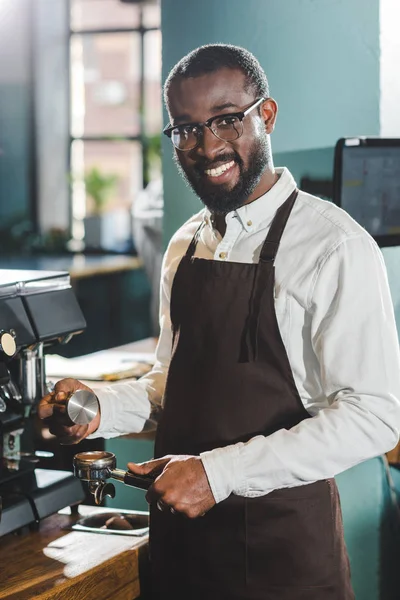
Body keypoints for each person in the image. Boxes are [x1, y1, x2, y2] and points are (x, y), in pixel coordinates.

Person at [39, 44, 400, 600]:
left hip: (283, 562)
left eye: (227, 119)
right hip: (182, 554)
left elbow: (374, 417)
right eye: (186, 129)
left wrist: (217, 473)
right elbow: (171, 384)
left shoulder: (335, 246)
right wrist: (96, 408)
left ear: (267, 114)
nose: (207, 146)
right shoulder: (184, 244)